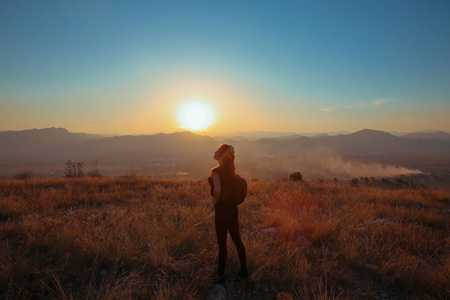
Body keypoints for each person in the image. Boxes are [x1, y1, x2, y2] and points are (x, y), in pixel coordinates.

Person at [208, 144, 249, 283]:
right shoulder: (232, 172)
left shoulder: (216, 172)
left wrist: (216, 201)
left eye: (217, 150)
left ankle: (221, 273)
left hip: (221, 211)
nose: (214, 151)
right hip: (232, 210)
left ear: (222, 155)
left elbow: (218, 191)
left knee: (222, 242)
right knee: (237, 240)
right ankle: (244, 271)